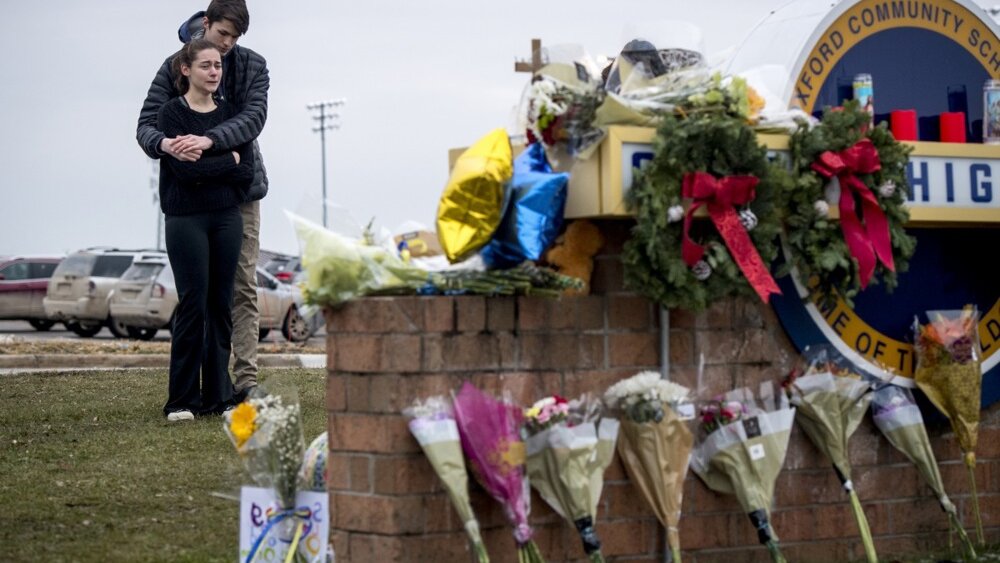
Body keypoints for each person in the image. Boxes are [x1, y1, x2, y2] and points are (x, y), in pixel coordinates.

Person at [137, 0, 267, 402]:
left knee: (241, 288)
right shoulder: (174, 64)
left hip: (238, 195)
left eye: (235, 38)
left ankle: (242, 381)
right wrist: (167, 145)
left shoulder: (252, 66)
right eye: (223, 33)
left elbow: (252, 120)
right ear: (206, 23)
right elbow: (147, 125)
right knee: (197, 298)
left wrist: (209, 142)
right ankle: (194, 391)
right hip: (188, 203)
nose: (227, 45)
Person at [157, 39, 254, 421]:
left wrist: (217, 161)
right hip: (186, 219)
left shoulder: (231, 113)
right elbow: (184, 172)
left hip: (227, 217)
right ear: (187, 70)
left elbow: (245, 170)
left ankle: (219, 397)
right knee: (194, 304)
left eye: (218, 66)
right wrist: (224, 159)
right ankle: (181, 400)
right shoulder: (171, 115)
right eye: (206, 66)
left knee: (221, 304)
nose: (214, 72)